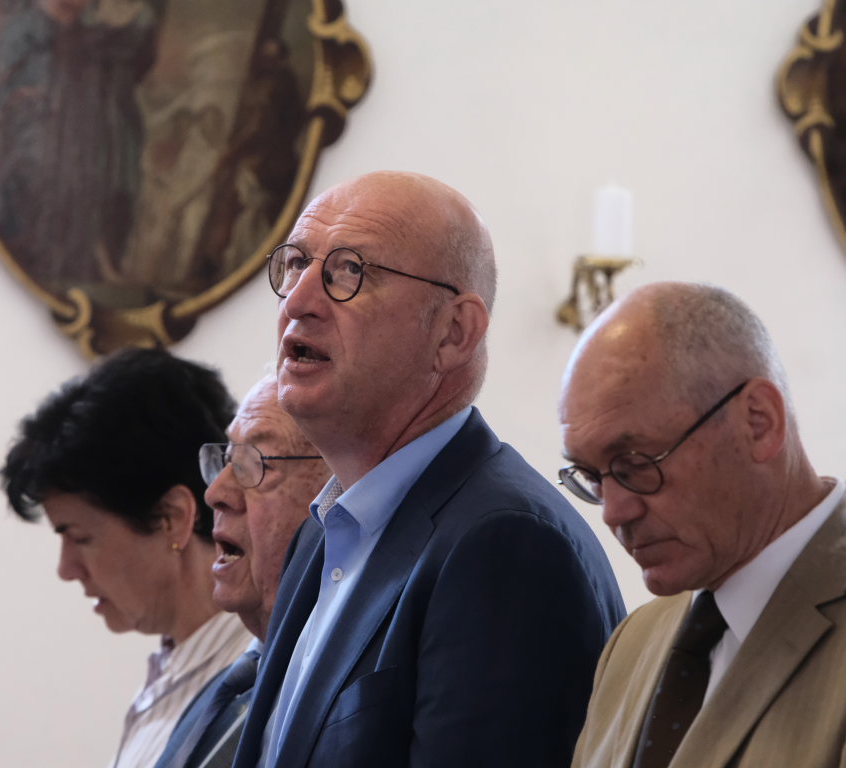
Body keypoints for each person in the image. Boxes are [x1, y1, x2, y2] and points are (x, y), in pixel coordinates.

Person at [231, 170, 626, 768]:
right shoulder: (320, 533)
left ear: (454, 332)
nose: (298, 302)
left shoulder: (505, 545)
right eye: (296, 263)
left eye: (349, 271)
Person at [559, 282, 846, 768]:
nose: (614, 512)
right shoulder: (631, 644)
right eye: (591, 476)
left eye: (636, 464)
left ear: (758, 421)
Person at [0, 348, 253, 768]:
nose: (66, 570)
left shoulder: (252, 685)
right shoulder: (171, 673)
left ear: (173, 518)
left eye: (80, 537)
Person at [154, 375, 330, 768]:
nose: (215, 493)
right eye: (227, 461)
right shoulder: (221, 694)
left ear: (339, 492)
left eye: (253, 464)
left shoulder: (350, 692)